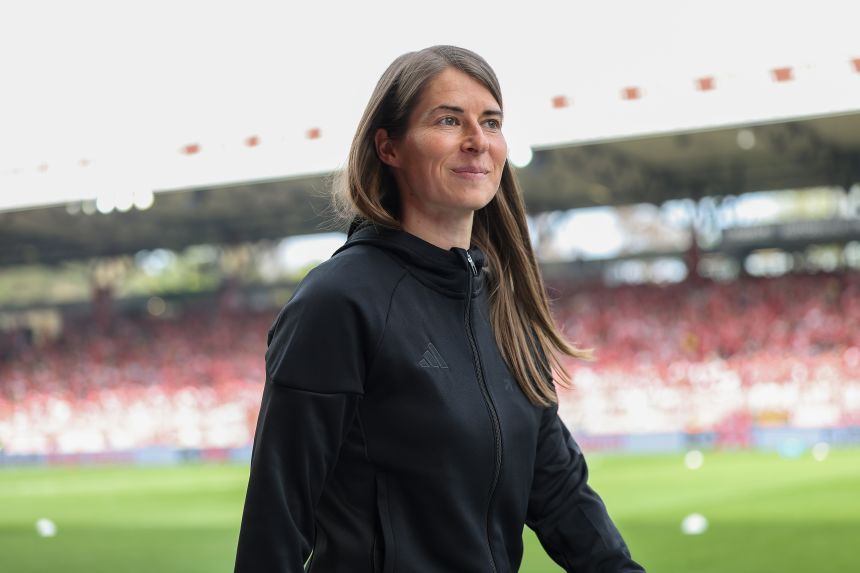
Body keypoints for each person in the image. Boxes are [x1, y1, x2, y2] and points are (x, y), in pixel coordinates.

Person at [234, 45, 645, 572]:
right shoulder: (337, 301)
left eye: (491, 122)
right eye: (449, 120)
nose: (478, 140)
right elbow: (276, 524)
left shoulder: (502, 306)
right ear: (389, 146)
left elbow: (562, 493)